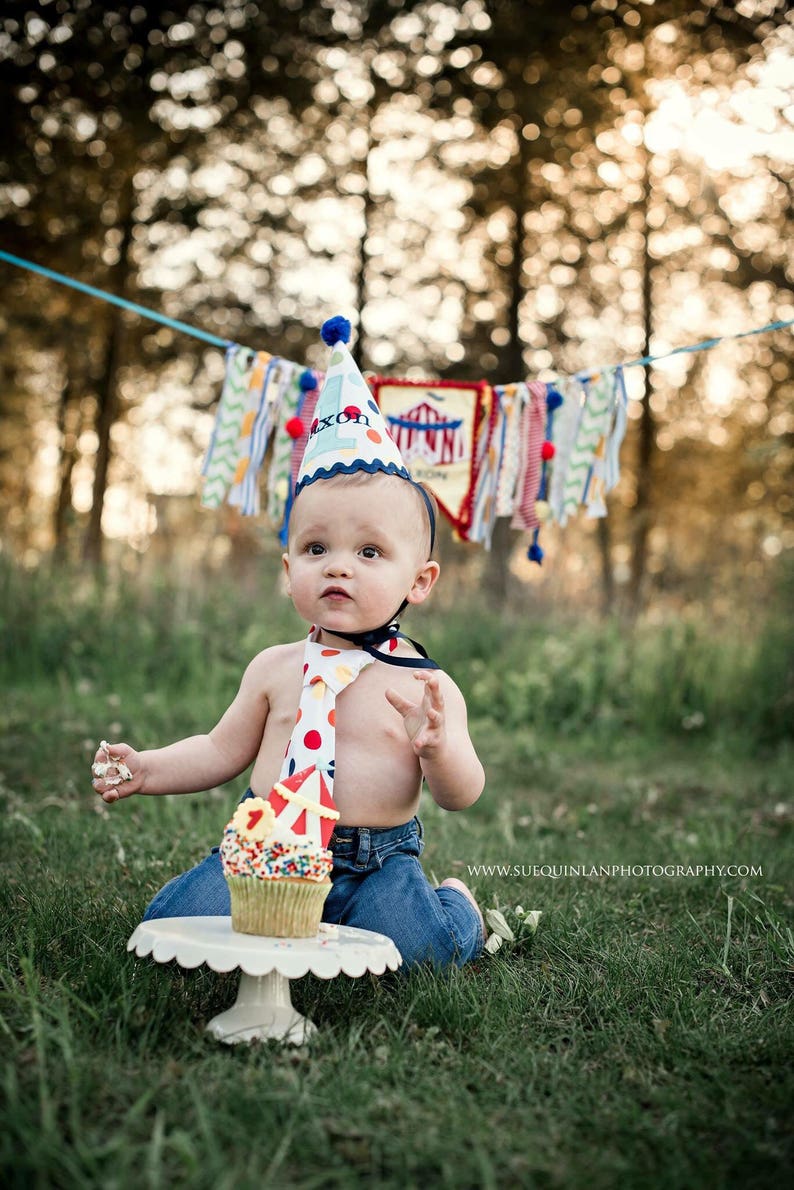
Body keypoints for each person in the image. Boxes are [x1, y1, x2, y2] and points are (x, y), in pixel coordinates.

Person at [91, 318, 486, 970]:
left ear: (420, 582)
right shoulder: (276, 669)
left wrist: (439, 750)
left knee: (420, 954)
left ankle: (458, 909)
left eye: (368, 551)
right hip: (265, 849)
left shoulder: (425, 687)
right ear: (288, 570)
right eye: (316, 548)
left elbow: (461, 793)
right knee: (169, 929)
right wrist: (149, 769)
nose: (338, 566)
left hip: (374, 864)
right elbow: (221, 750)